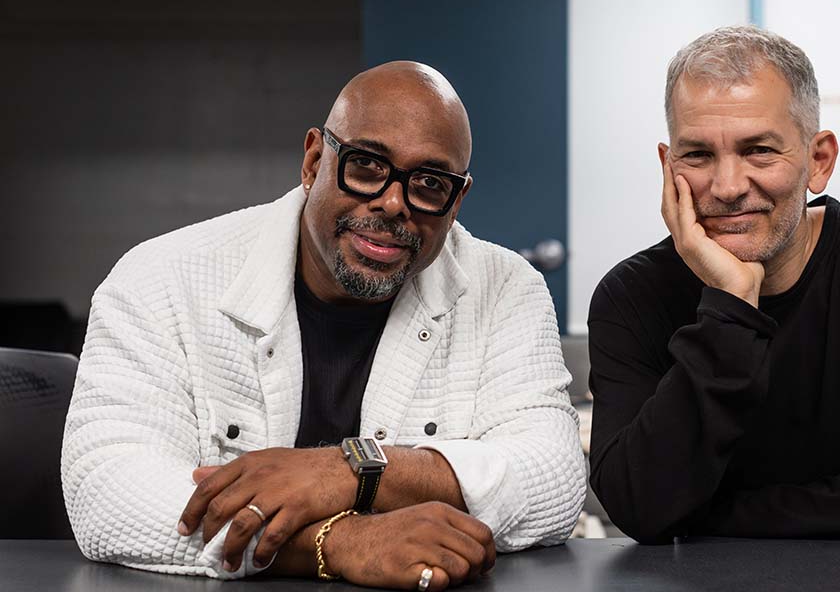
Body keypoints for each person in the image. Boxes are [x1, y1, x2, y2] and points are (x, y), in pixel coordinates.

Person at [62, 61, 586, 590]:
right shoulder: (161, 278)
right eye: (366, 165)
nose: (393, 202)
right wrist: (338, 542)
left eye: (430, 183)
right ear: (314, 160)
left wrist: (350, 472)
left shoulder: (504, 286)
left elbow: (554, 477)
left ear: (457, 201)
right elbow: (107, 489)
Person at [587, 26, 840, 544]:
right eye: (697, 155)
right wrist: (730, 307)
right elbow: (639, 505)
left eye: (759, 150)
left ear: (819, 161)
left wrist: (718, 517)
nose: (728, 187)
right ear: (668, 165)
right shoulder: (630, 297)